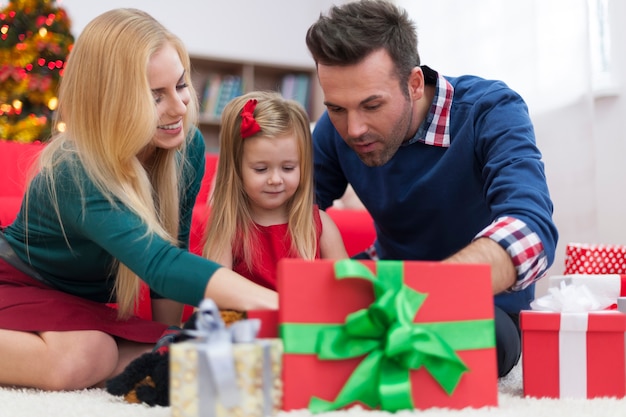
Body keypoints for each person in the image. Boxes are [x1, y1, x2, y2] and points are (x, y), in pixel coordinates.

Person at [0, 8, 276, 391]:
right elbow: (161, 264)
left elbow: (172, 244)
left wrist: (171, 333)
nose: (179, 107)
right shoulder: (74, 169)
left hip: (78, 303)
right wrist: (283, 304)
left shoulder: (185, 147)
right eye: (155, 96)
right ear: (110, 102)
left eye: (180, 85)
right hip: (16, 283)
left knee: (184, 355)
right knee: (84, 355)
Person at [305, 0, 558, 377]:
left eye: (372, 105)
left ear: (414, 83)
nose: (353, 128)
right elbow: (295, 213)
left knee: (474, 347)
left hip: (483, 302)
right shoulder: (334, 128)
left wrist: (425, 295)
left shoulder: (490, 110)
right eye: (337, 108)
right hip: (386, 282)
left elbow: (531, 227)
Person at [203, 91, 348, 291]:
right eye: (261, 169)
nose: (275, 180)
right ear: (236, 168)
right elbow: (214, 299)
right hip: (245, 322)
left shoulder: (321, 226)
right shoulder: (229, 229)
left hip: (308, 322)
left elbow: (347, 293)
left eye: (288, 168)